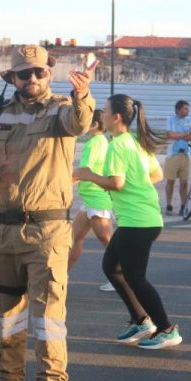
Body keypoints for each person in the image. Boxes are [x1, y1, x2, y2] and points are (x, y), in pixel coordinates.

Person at [0, 44, 97, 381]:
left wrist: (83, 92)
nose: (33, 79)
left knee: (49, 320)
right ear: (12, 79)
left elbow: (81, 122)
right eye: (25, 74)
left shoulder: (61, 110)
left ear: (48, 75)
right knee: (9, 318)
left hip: (47, 231)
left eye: (40, 72)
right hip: (2, 231)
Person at [75, 94, 182, 350]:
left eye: (104, 110)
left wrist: (87, 174)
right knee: (111, 266)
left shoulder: (118, 145)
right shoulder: (134, 142)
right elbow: (155, 174)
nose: (100, 114)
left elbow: (116, 183)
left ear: (116, 117)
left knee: (136, 278)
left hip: (138, 221)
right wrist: (138, 187)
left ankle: (166, 328)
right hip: (141, 218)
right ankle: (140, 320)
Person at [68, 109, 115, 292]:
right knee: (74, 238)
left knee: (106, 240)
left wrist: (62, 186)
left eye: (86, 121)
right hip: (90, 199)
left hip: (97, 198)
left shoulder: (94, 143)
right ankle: (60, 277)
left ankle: (121, 278)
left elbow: (82, 171)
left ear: (94, 124)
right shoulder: (102, 141)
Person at [164, 100, 191, 216]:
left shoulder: (190, 120)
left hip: (185, 154)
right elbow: (170, 135)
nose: (187, 110)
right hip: (173, 155)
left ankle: (183, 205)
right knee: (170, 180)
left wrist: (179, 135)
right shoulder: (171, 119)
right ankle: (169, 204)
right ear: (178, 109)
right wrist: (184, 135)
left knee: (184, 182)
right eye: (185, 108)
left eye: (188, 108)